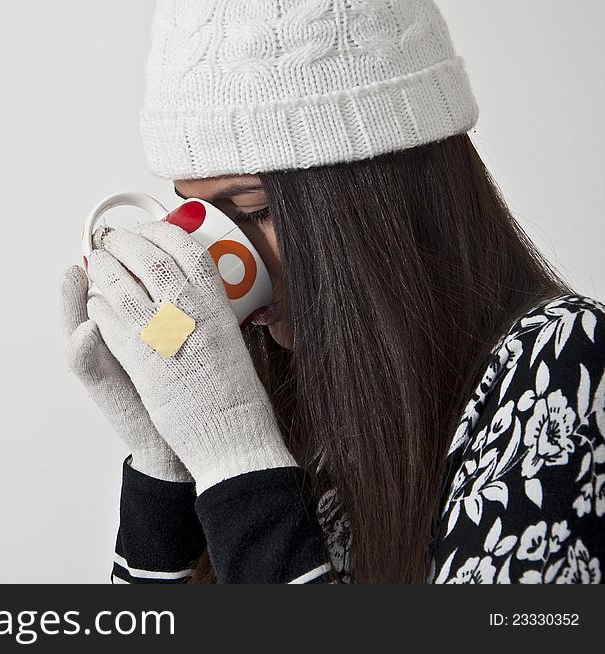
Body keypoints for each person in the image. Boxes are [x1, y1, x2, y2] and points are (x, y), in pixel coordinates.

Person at [60, 0, 605, 583]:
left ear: (382, 202)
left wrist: (237, 458)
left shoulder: (569, 363)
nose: (216, 261)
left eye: (254, 210)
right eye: (194, 213)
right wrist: (165, 465)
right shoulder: (302, 384)